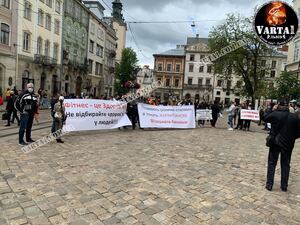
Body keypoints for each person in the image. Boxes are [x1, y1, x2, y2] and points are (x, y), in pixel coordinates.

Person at [264, 101, 300, 192]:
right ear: (288, 106)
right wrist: (291, 138)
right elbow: (299, 132)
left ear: (279, 105)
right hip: (288, 144)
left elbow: (265, 118)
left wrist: (271, 109)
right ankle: (284, 186)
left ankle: (269, 184)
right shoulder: (294, 117)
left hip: (275, 143)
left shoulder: (275, 114)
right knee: (285, 164)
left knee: (272, 163)